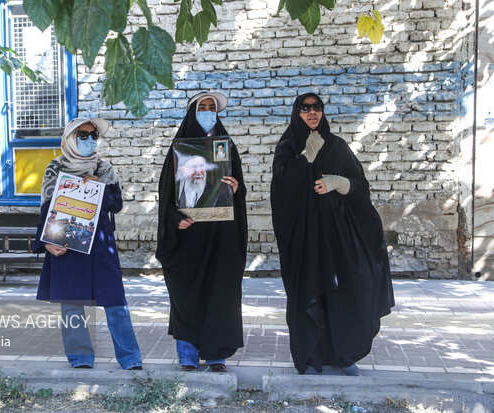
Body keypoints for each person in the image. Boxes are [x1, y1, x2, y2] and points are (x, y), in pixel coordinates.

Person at [270, 93, 395, 376]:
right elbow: (281, 189)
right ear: (296, 112)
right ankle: (311, 358)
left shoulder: (337, 146)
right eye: (305, 108)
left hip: (338, 237)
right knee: (308, 295)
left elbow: (360, 187)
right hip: (304, 239)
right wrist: (305, 159)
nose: (312, 113)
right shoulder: (288, 146)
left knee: (343, 292)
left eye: (317, 108)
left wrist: (339, 183)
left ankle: (342, 355)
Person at [33, 117, 143, 370]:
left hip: (100, 244)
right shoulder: (55, 168)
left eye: (93, 136)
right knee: (71, 302)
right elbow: (46, 207)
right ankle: (80, 357)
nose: (89, 140)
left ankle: (130, 358)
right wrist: (46, 242)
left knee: (115, 301)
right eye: (82, 135)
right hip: (66, 243)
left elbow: (116, 204)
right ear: (71, 137)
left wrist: (99, 189)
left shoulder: (104, 168)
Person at [156, 91, 248, 372]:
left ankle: (215, 353)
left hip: (220, 238)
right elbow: (167, 196)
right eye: (202, 107)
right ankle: (187, 353)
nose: (208, 112)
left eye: (212, 107)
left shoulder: (227, 147)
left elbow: (240, 193)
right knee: (186, 293)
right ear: (191, 112)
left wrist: (235, 189)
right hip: (189, 237)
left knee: (219, 293)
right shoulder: (178, 149)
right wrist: (175, 219)